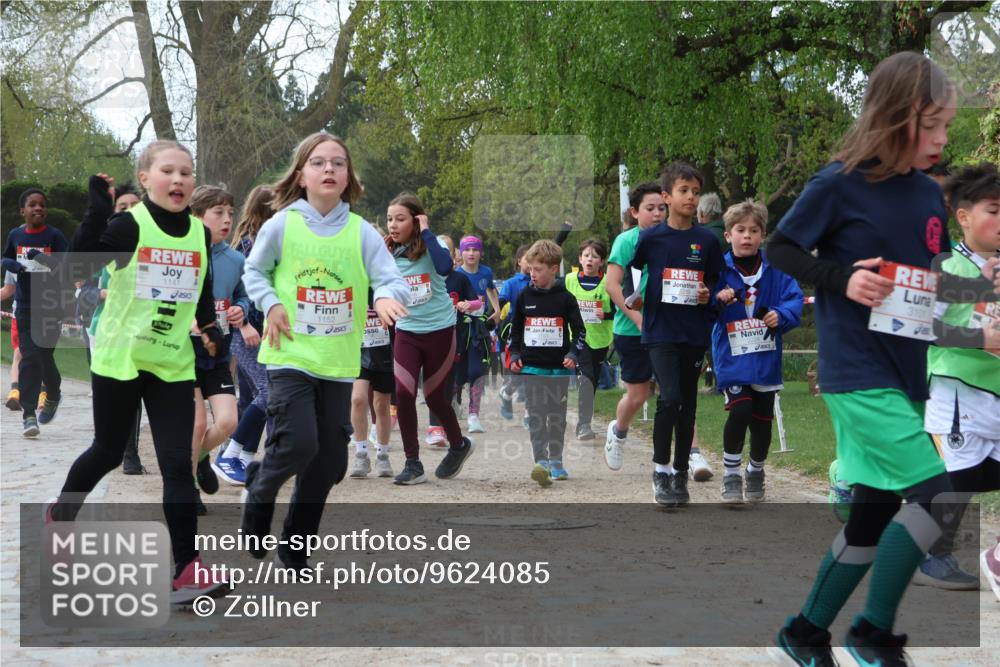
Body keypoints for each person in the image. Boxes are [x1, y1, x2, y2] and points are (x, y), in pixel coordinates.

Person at [765, 52, 1000, 665]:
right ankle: (872, 634)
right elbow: (781, 248)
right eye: (935, 125)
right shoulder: (838, 183)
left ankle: (805, 633)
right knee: (937, 494)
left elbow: (925, 284)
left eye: (948, 126)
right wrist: (840, 278)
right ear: (897, 117)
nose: (944, 139)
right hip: (857, 374)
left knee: (870, 520)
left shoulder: (927, 194)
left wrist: (982, 299)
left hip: (907, 375)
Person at [49, 142, 231, 603]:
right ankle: (62, 514)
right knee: (109, 451)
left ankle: (187, 569)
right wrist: (96, 208)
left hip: (170, 362)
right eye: (168, 171)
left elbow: (203, 291)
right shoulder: (132, 224)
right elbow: (77, 265)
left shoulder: (197, 233)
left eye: (186, 173)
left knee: (177, 462)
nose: (179, 180)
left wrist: (210, 330)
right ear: (146, 178)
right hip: (120, 358)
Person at [241, 132, 409, 568]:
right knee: (298, 443)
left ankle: (295, 548)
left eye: (338, 162)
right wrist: (272, 303)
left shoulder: (361, 232)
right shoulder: (282, 224)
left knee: (331, 460)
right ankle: (260, 489)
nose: (329, 169)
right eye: (318, 162)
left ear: (349, 175)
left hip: (337, 364)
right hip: (290, 356)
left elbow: (389, 277)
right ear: (301, 175)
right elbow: (254, 271)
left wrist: (386, 295)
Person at [913, 162, 1000, 593]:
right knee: (956, 483)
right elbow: (925, 328)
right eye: (994, 210)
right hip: (957, 392)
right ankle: (933, 556)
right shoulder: (947, 267)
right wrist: (979, 339)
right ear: (963, 216)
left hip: (996, 391)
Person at [630, 162, 724, 507]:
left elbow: (716, 280)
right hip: (659, 330)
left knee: (687, 405)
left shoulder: (706, 240)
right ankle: (660, 470)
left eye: (696, 192)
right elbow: (636, 269)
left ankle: (680, 473)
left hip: (693, 332)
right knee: (669, 398)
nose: (691, 197)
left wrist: (708, 295)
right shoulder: (651, 237)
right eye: (684, 191)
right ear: (667, 196)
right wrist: (638, 294)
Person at [711, 200, 803, 503]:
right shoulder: (718, 270)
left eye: (753, 230)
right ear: (728, 235)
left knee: (762, 419)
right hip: (732, 355)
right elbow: (703, 303)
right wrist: (716, 298)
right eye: (740, 230)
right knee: (740, 409)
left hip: (765, 355)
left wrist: (781, 315)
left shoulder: (776, 271)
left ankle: (756, 469)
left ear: (762, 235)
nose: (746, 236)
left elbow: (794, 299)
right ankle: (732, 474)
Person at [386, 192, 475, 485]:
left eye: (400, 219)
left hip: (439, 331)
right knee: (405, 393)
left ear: (416, 220)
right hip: (407, 333)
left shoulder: (432, 246)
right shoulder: (387, 252)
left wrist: (426, 230)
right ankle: (413, 463)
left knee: (436, 397)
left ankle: (459, 445)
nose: (393, 225)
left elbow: (444, 268)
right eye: (390, 219)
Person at [187, 185, 250, 514]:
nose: (227, 219)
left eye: (230, 212)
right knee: (196, 425)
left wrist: (241, 308)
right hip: (184, 354)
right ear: (197, 215)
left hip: (218, 354)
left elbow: (243, 294)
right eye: (218, 212)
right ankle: (189, 488)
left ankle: (199, 458)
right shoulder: (185, 252)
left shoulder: (235, 258)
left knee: (228, 421)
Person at [509, 240, 585, 485]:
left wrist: (573, 354)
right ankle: (540, 461)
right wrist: (516, 355)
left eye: (538, 269)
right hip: (532, 368)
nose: (533, 274)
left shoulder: (566, 299)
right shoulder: (524, 297)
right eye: (531, 269)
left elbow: (580, 332)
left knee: (556, 416)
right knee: (537, 415)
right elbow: (515, 331)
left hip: (558, 370)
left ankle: (556, 460)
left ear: (554, 269)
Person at [215, 185, 274, 485]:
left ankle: (243, 459)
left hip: (262, 329)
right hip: (246, 330)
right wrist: (245, 325)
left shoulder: (266, 242)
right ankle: (229, 454)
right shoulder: (249, 246)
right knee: (270, 392)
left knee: (252, 395)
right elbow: (242, 293)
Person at [603, 182, 664, 472]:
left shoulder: (674, 240)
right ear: (635, 212)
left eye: (661, 208)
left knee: (677, 393)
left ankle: (694, 454)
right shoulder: (626, 241)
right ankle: (618, 432)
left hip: (668, 329)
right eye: (650, 209)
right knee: (639, 395)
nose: (657, 214)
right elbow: (612, 286)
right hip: (631, 330)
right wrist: (639, 320)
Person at [2, 187, 68, 437]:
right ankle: (29, 414)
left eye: (42, 204)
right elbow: (6, 258)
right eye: (32, 204)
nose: (38, 208)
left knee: (44, 358)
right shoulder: (15, 235)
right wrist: (9, 263)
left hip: (51, 305)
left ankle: (53, 393)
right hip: (26, 306)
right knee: (29, 358)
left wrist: (42, 259)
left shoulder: (55, 235)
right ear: (23, 210)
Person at [426, 234, 480, 446]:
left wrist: (469, 305)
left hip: (452, 338)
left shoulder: (459, 279)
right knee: (431, 381)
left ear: (453, 256)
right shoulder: (423, 276)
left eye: (445, 252)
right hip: (426, 335)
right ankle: (434, 428)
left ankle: (447, 418)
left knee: (448, 383)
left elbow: (479, 303)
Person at [564, 238, 614, 441]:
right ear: (580, 259)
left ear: (601, 261)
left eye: (594, 256)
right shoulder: (569, 280)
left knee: (591, 381)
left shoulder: (608, 283)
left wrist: (607, 315)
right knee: (586, 378)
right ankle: (583, 425)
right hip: (577, 338)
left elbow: (620, 308)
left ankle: (585, 420)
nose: (590, 260)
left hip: (600, 339)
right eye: (586, 256)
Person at [349, 287, 397, 478]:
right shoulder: (351, 277)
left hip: (385, 349)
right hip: (358, 349)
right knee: (358, 399)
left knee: (381, 404)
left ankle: (382, 455)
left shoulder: (385, 281)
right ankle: (361, 454)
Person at [455, 235, 498, 433]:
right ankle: (454, 403)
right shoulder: (456, 274)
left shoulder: (486, 272)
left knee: (477, 372)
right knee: (457, 374)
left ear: (481, 253)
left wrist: (496, 310)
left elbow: (491, 289)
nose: (471, 253)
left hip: (478, 330)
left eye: (475, 250)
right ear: (460, 252)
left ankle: (474, 415)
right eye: (467, 249)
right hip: (458, 330)